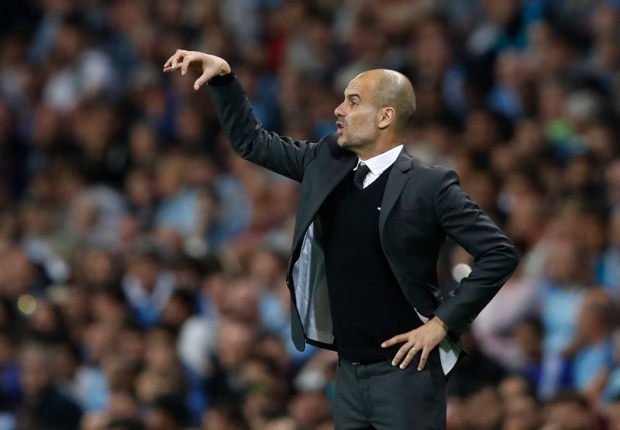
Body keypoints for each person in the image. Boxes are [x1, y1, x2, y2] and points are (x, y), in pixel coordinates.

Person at [163, 50, 519, 430]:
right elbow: (252, 142)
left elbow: (499, 253)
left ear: (386, 116)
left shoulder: (430, 185)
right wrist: (224, 80)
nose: (338, 110)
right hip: (347, 372)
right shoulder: (325, 162)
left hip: (406, 374)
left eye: (353, 101)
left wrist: (443, 323)